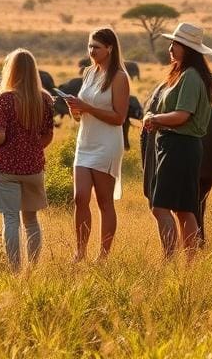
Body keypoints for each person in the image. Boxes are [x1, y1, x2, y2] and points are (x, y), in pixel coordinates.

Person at [141, 22, 212, 259]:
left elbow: (182, 115)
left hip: (179, 146)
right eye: (172, 43)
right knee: (184, 208)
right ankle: (188, 265)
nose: (171, 48)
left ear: (189, 49)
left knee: (161, 206)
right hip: (176, 146)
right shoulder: (183, 74)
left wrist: (154, 118)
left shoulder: (191, 77)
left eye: (177, 44)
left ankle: (169, 259)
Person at [65, 27, 130, 261]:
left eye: (96, 47)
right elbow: (82, 114)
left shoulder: (120, 78)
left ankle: (103, 256)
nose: (91, 51)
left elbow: (119, 118)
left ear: (110, 48)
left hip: (107, 144)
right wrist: (76, 110)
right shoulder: (88, 73)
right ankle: (79, 252)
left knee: (104, 201)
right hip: (85, 142)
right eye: (90, 46)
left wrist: (88, 108)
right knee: (80, 197)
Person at [0, 48, 55, 271]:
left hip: (6, 168)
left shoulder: (6, 98)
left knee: (11, 220)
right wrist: (32, 150)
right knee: (32, 221)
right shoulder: (45, 99)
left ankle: (15, 269)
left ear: (12, 70)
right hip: (34, 169)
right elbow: (48, 135)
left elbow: (1, 136)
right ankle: (33, 269)